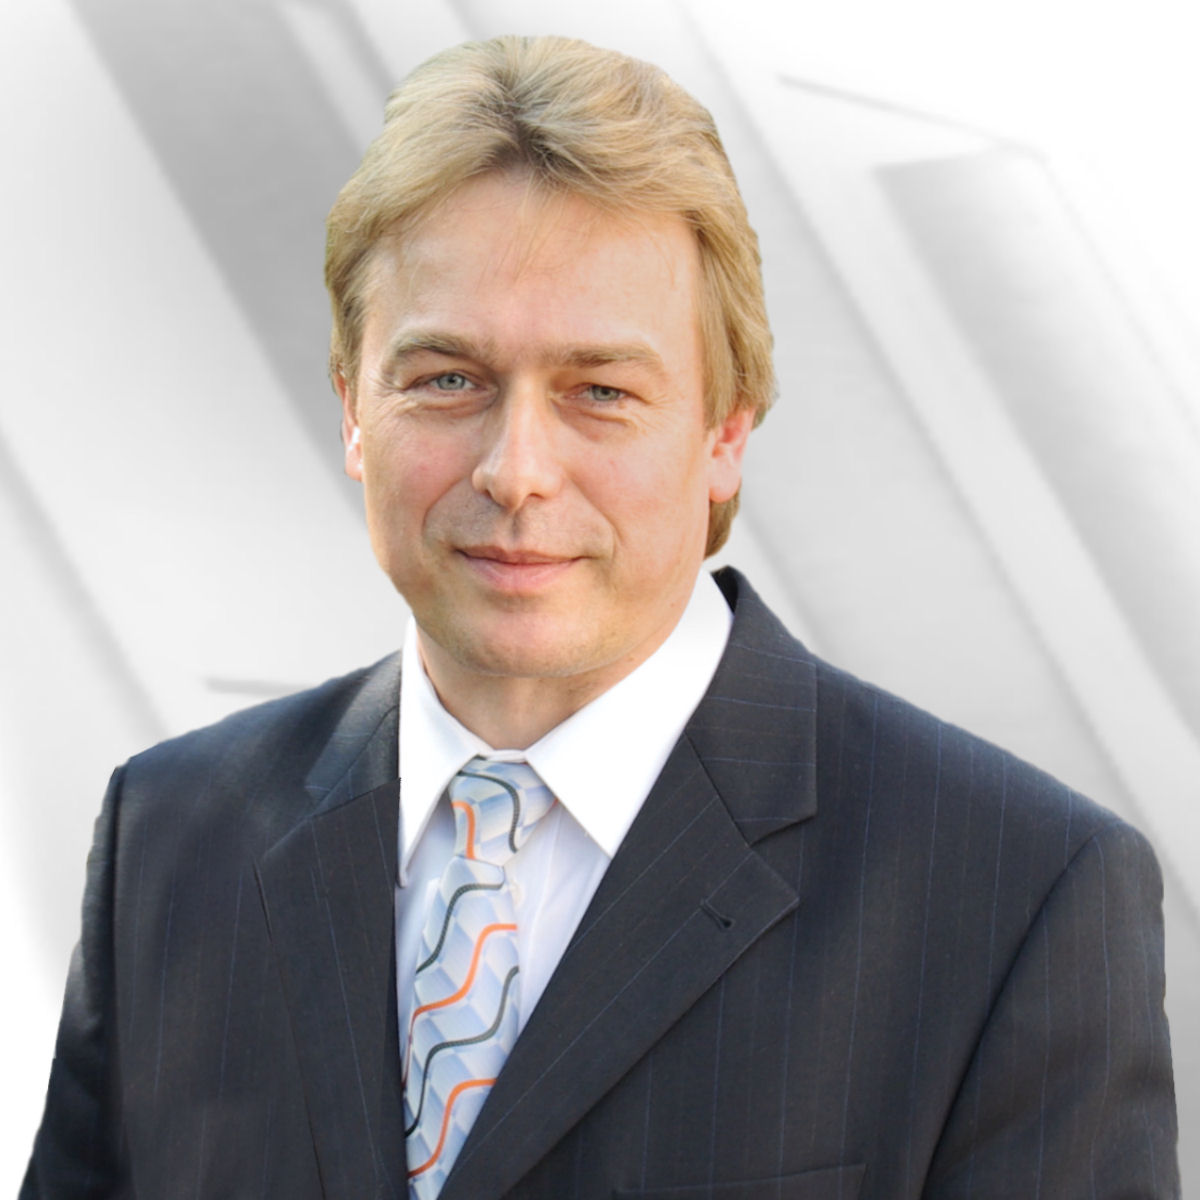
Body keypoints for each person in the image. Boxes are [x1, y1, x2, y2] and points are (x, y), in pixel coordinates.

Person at [23, 34, 1178, 1200]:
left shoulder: (1017, 897)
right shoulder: (172, 840)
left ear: (727, 432)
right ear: (354, 409)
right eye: (447, 378)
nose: (516, 470)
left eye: (601, 392)